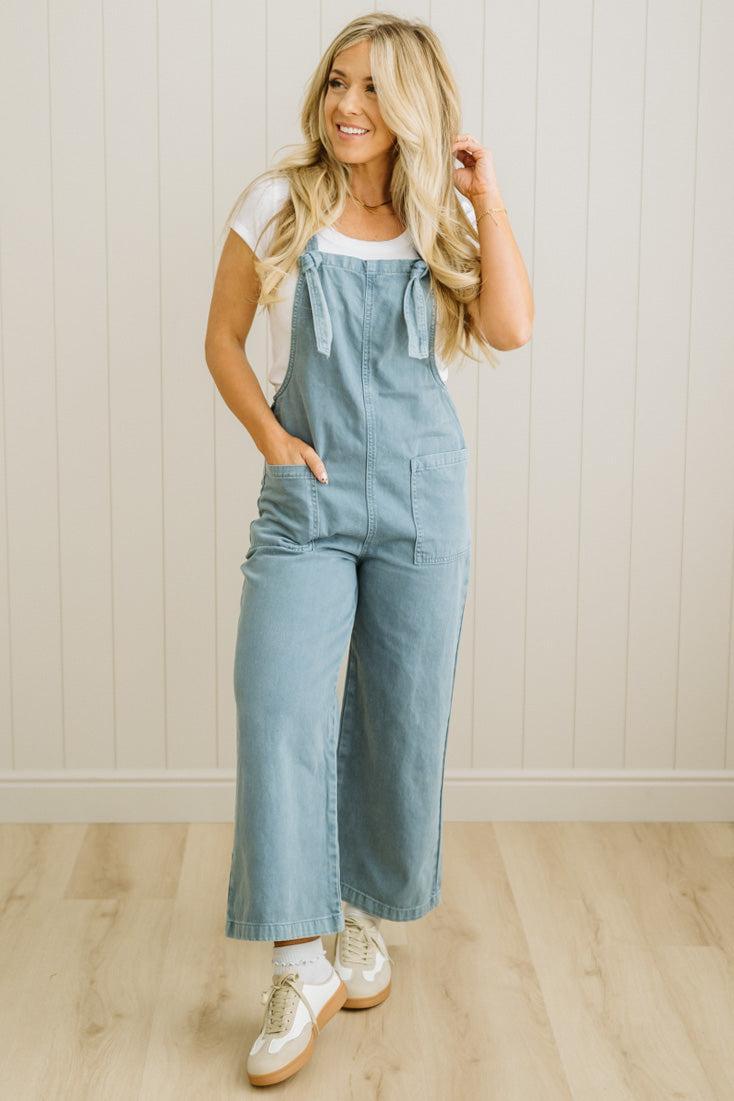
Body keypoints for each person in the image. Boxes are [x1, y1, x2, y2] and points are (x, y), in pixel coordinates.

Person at [204, 12, 533, 1089]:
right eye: (337, 82)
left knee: (397, 716)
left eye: (373, 89)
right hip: (306, 501)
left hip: (421, 502)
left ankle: (355, 927)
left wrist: (484, 194)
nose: (346, 105)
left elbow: (510, 329)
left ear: (411, 109)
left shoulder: (438, 217)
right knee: (281, 707)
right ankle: (296, 963)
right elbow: (220, 337)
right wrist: (272, 442)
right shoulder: (276, 201)